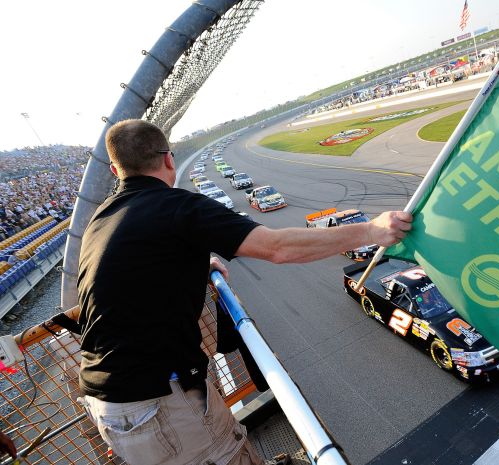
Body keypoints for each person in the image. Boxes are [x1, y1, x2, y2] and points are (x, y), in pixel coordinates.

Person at [77, 119, 412, 465]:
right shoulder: (177, 207)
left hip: (106, 404)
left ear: (117, 170)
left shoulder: (100, 220)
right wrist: (372, 230)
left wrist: (195, 262)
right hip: (158, 403)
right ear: (169, 160)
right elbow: (277, 247)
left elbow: (132, 274)